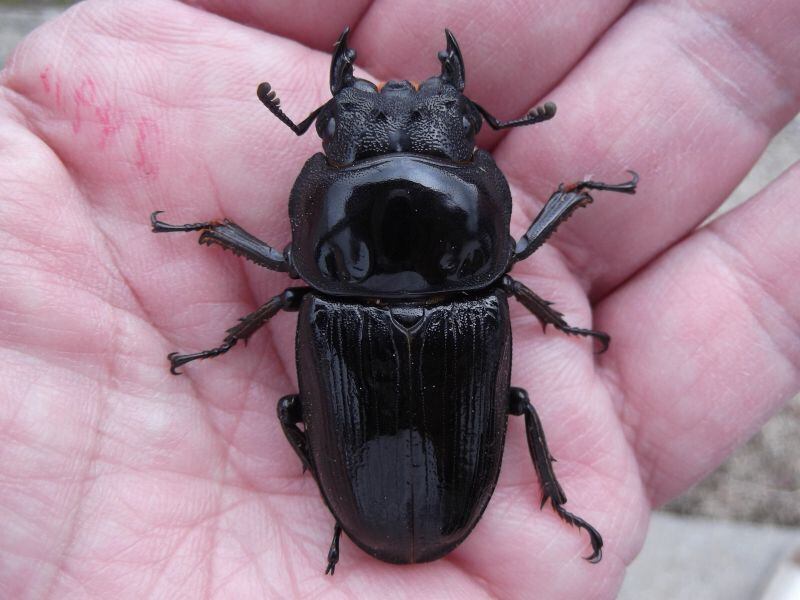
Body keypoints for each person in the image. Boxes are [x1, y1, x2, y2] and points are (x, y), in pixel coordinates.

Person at [0, 1, 797, 597]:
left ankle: (512, 500)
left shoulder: (315, 288)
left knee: (295, 401)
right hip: (423, 425)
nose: (398, 121)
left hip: (375, 476)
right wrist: (573, 198)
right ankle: (555, 501)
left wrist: (214, 237)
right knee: (513, 396)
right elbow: (515, 257)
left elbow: (290, 266)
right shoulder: (496, 278)